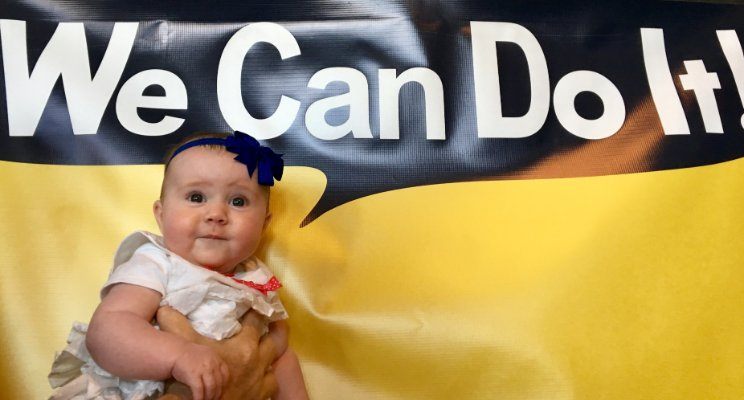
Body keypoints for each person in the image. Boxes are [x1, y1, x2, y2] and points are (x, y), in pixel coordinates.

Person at [48, 132, 308, 400]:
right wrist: (177, 356)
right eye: (196, 197)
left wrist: (278, 344)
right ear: (161, 215)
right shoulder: (157, 263)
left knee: (285, 359)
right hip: (143, 389)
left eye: (238, 201)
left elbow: (273, 351)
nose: (216, 214)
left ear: (264, 224)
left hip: (234, 383)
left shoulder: (256, 277)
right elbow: (108, 329)